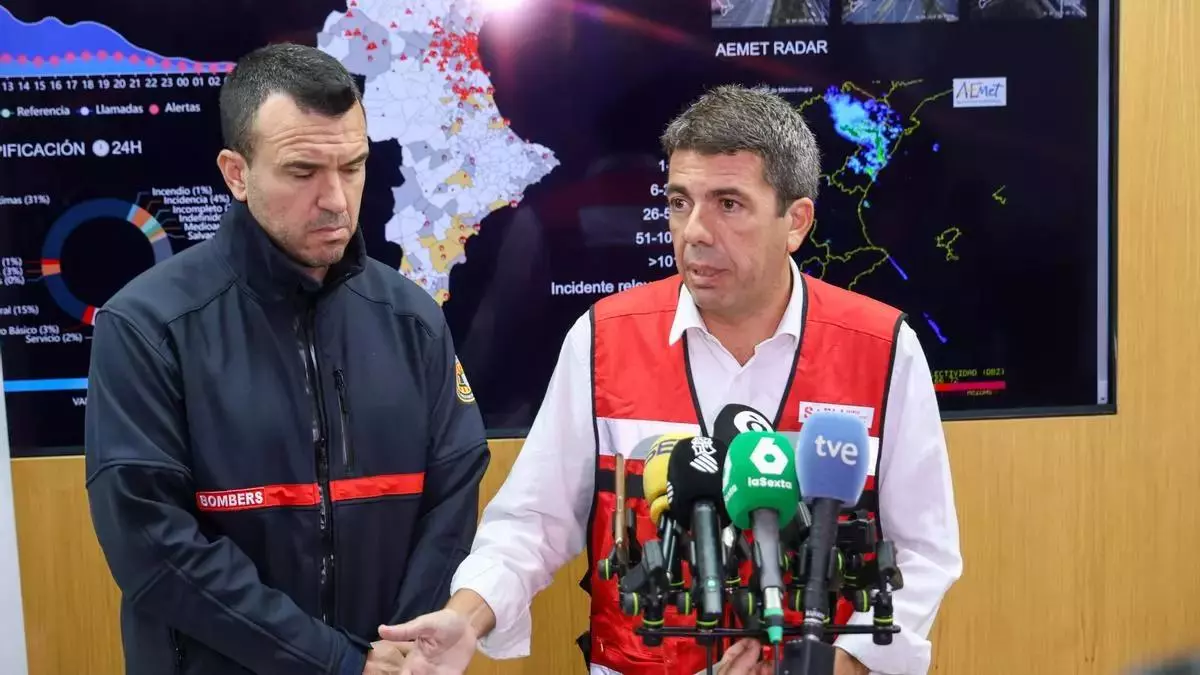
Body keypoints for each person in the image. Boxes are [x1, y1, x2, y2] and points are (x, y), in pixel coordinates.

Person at [379, 84, 963, 675]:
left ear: (796, 222)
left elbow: (924, 553)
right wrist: (466, 616)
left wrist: (838, 664)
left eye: (728, 204)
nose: (695, 231)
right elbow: (532, 523)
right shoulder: (603, 339)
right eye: (680, 202)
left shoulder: (882, 349)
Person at [84, 43, 490, 675]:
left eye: (353, 166)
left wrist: (399, 647)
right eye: (303, 172)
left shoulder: (413, 319)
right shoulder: (147, 326)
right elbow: (153, 547)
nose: (336, 199)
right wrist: (336, 662)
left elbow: (453, 495)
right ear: (236, 173)